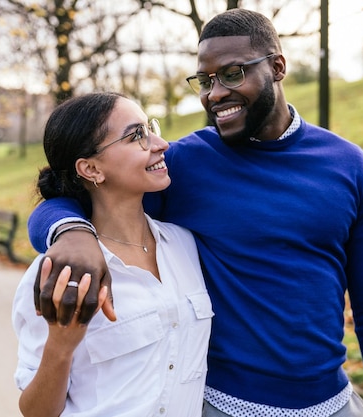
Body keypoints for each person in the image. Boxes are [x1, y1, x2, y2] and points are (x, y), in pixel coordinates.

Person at [27, 9, 363, 417]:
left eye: (232, 74)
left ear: (277, 67)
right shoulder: (185, 165)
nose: (214, 94)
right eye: (206, 81)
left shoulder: (350, 167)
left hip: (332, 404)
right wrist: (71, 232)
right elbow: (71, 192)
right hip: (218, 405)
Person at [12, 92, 213, 417]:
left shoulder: (184, 246)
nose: (161, 144)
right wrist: (60, 348)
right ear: (91, 169)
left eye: (151, 128)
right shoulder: (59, 274)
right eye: (137, 136)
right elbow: (36, 411)